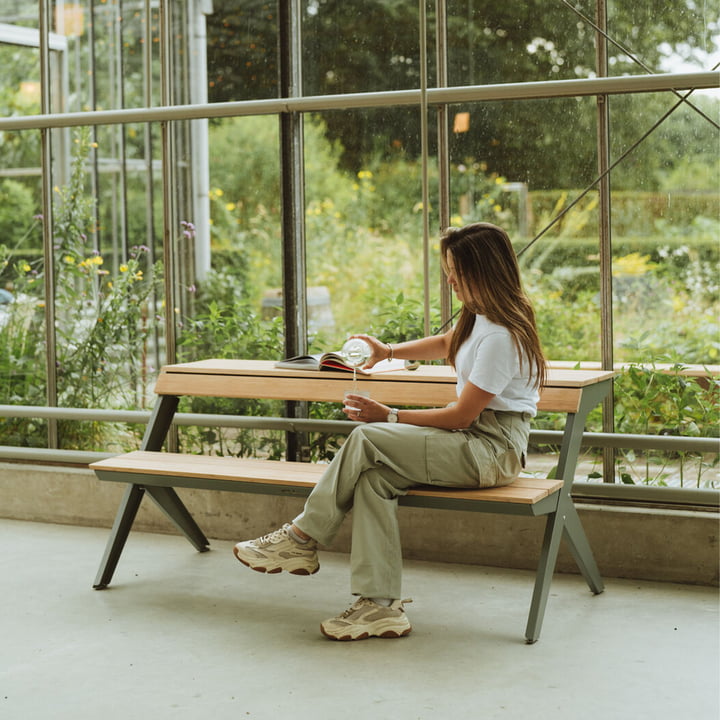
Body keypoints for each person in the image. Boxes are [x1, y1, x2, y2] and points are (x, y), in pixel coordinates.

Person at [233, 222, 547, 641]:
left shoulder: (503, 336)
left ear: (483, 270)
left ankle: (301, 537)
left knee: (367, 437)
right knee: (374, 481)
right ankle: (380, 607)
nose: (450, 280)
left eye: (457, 270)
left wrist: (390, 415)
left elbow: (461, 417)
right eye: (448, 269)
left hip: (492, 450)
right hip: (470, 445)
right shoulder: (481, 318)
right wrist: (387, 352)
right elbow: (446, 343)